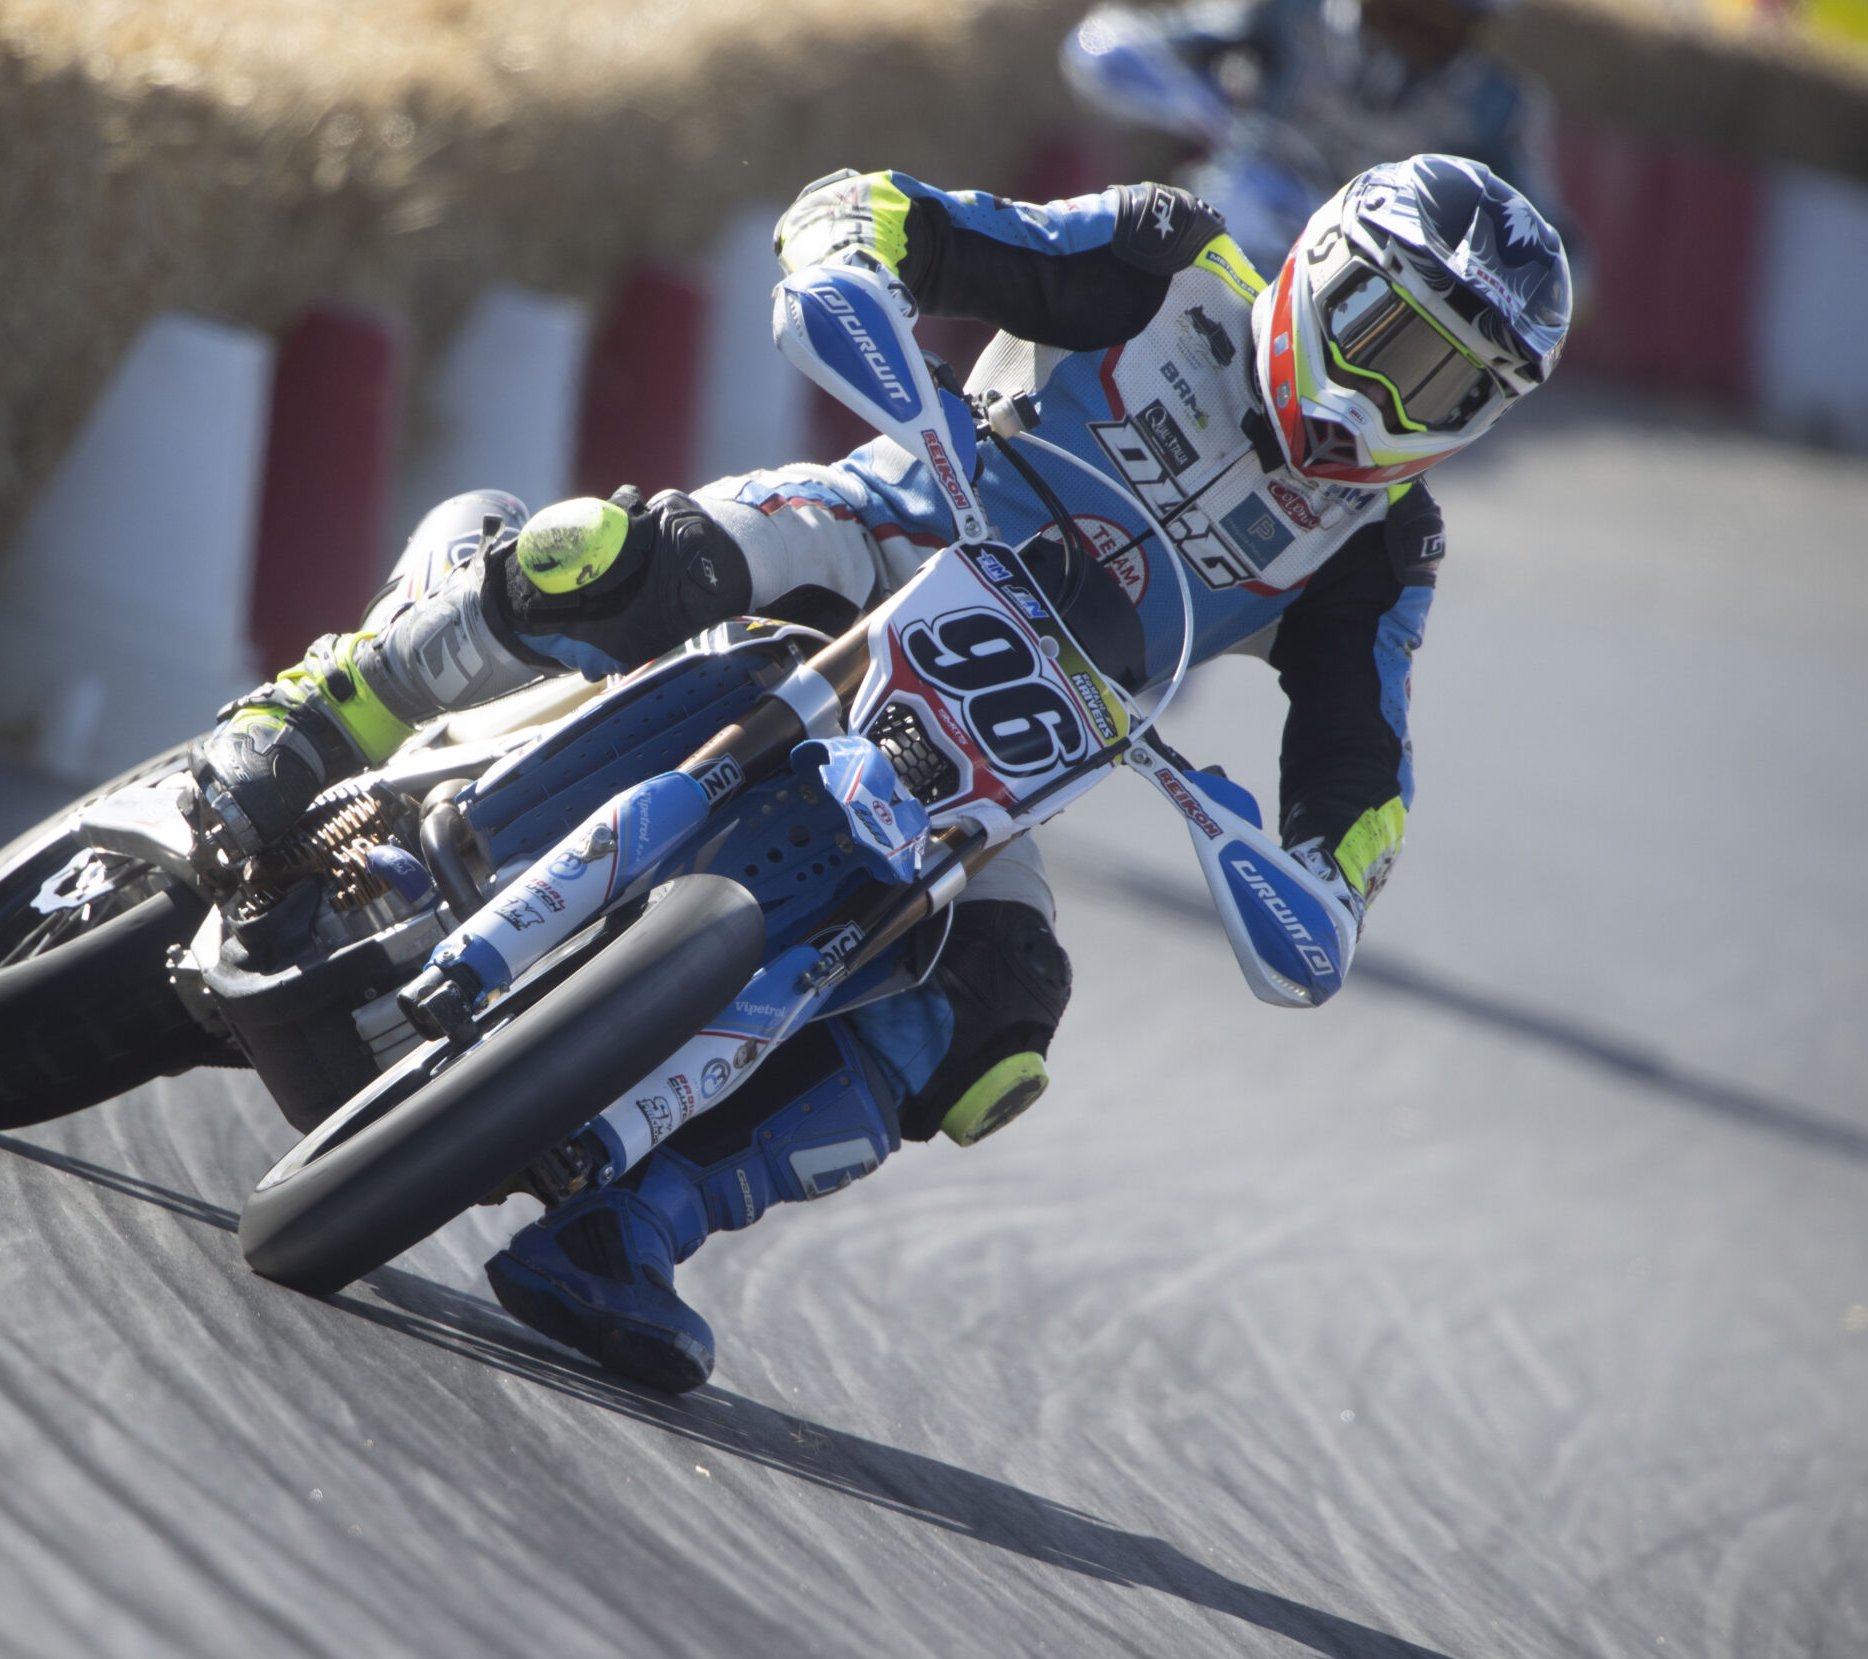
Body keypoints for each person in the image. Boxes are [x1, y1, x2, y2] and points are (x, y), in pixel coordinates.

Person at [196, 154, 1571, 1391]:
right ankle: (323, 709)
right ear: (1323, 272)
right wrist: (849, 254)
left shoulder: (1384, 542)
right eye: (1389, 339)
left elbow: (1360, 745)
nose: (1394, 400)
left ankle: (629, 1223)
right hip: (877, 542)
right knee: (622, 558)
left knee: (996, 1020)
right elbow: (913, 222)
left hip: (1009, 748)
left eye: (1449, 387)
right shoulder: (1164, 265)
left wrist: (1330, 873)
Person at [1061, 0, 1577, 271]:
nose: (1410, 33)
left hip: (1370, 278)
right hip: (1234, 218)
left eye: (1439, 22)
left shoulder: (1500, 108)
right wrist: (1202, 107)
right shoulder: (1287, 10)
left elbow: (1560, 254)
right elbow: (1104, 48)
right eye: (1403, 7)